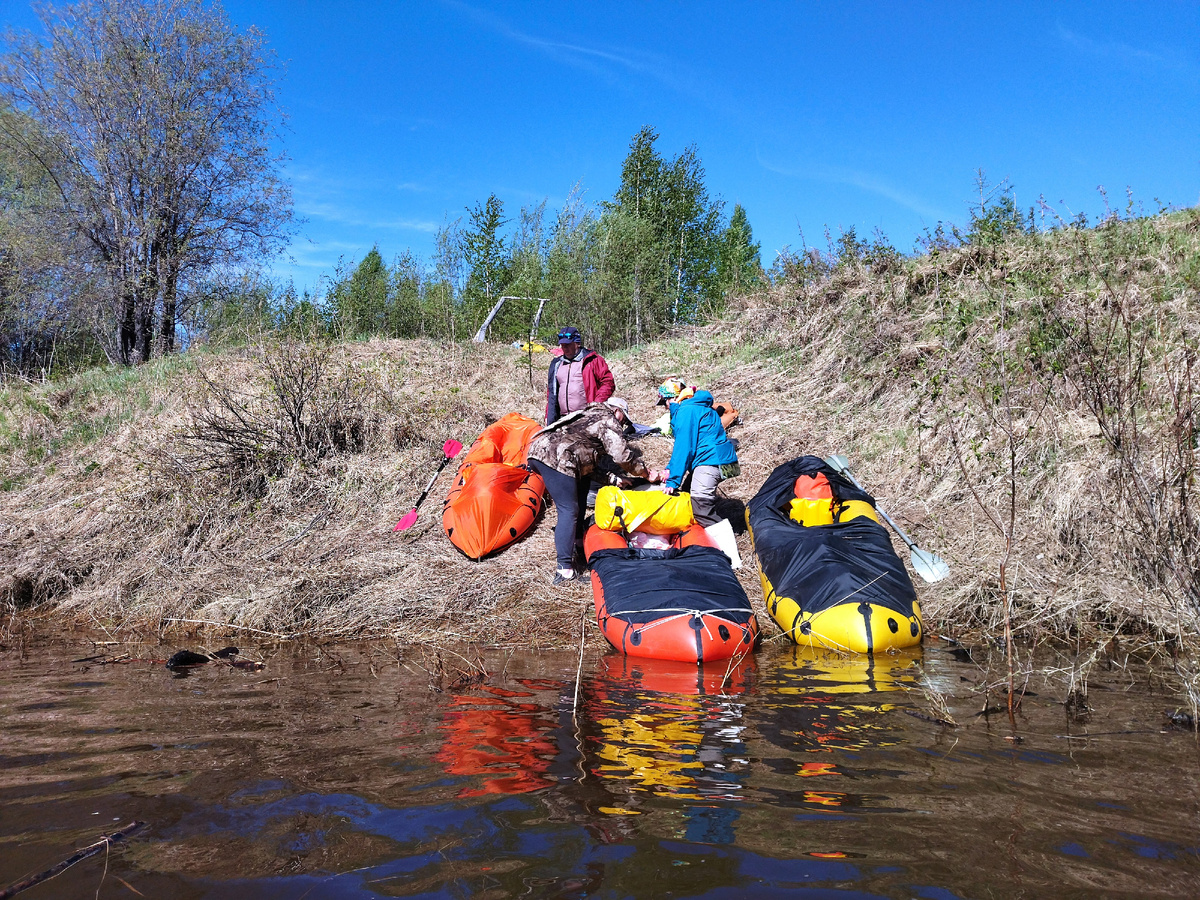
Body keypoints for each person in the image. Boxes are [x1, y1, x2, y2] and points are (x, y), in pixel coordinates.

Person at [527, 398, 662, 584]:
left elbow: (587, 464)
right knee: (569, 510)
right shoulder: (608, 419)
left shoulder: (589, 414)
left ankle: (577, 544)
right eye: (624, 419)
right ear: (617, 411)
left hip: (543, 451)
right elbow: (622, 456)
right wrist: (647, 473)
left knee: (581, 491)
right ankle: (565, 569)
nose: (623, 425)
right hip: (556, 457)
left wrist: (615, 479)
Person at [659, 388, 740, 526]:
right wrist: (670, 469)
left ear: (672, 398)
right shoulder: (699, 406)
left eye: (664, 402)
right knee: (686, 493)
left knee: (700, 507)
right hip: (724, 460)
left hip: (710, 461)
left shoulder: (687, 411)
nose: (665, 406)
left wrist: (673, 481)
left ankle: (725, 544)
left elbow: (684, 447)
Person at [545, 326, 615, 425]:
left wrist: (597, 404)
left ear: (577, 343)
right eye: (563, 345)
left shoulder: (593, 360)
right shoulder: (556, 364)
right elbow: (551, 393)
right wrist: (549, 417)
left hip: (586, 418)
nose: (565, 348)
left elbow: (608, 383)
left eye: (568, 345)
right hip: (562, 419)